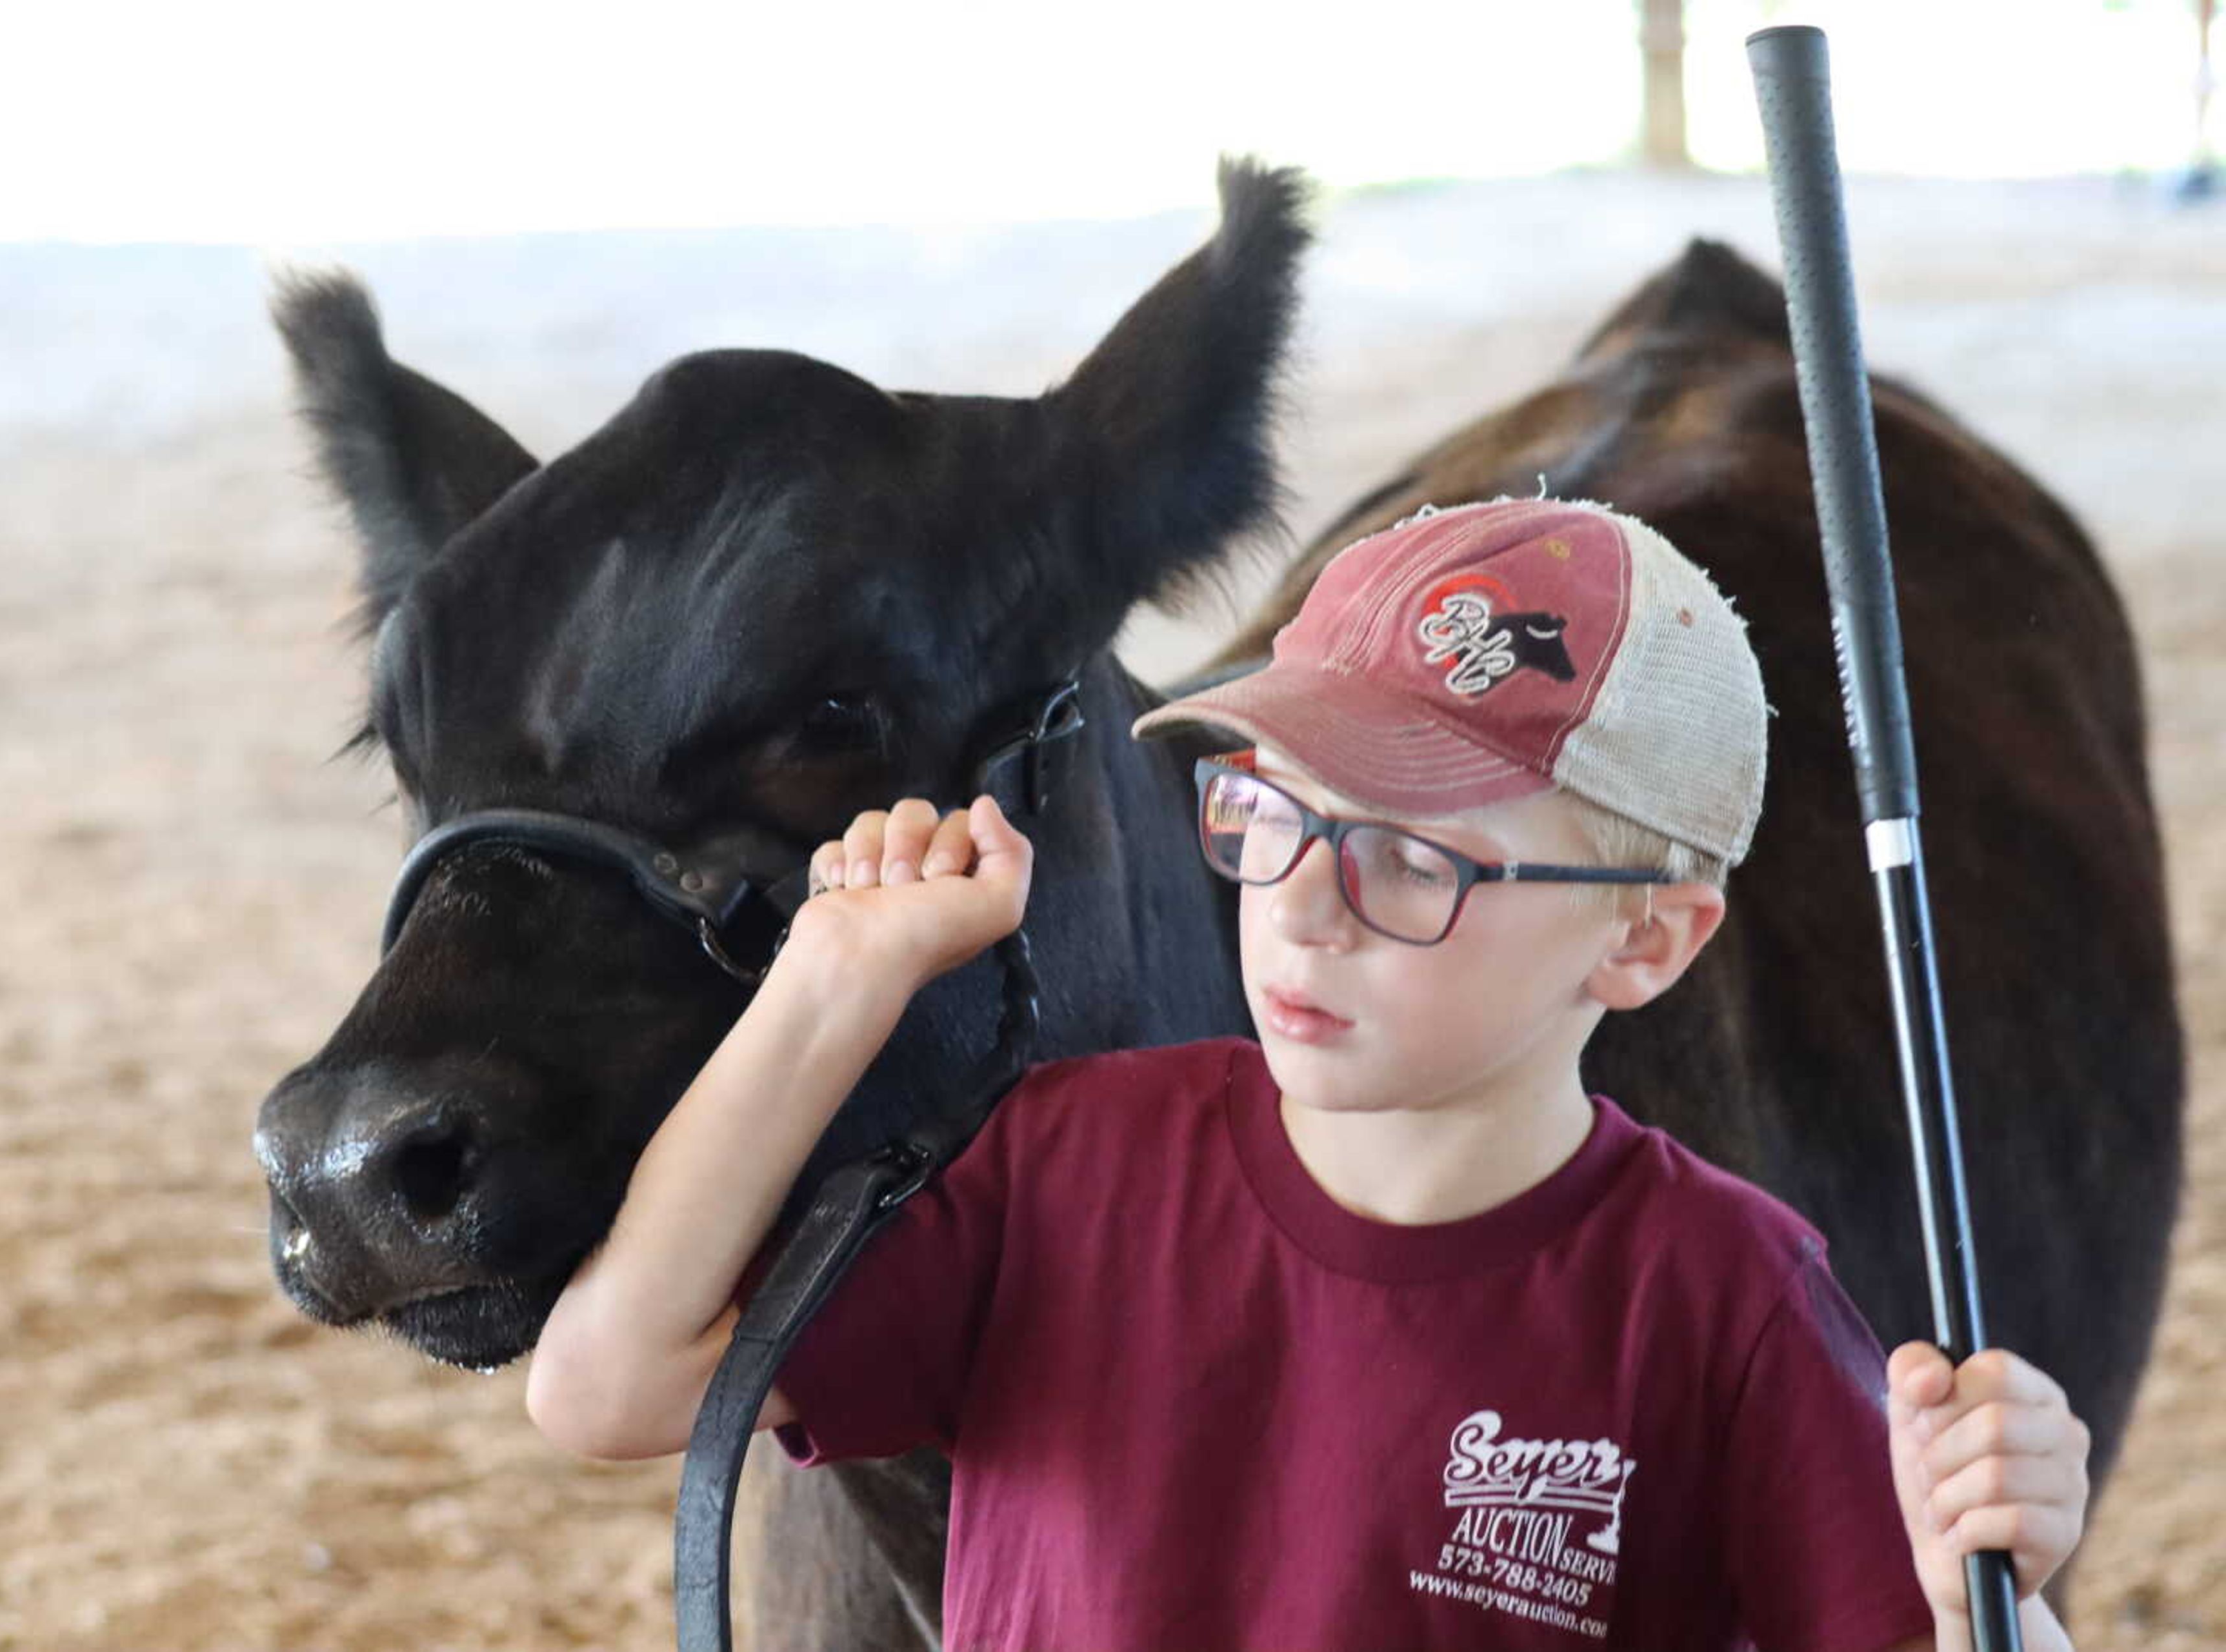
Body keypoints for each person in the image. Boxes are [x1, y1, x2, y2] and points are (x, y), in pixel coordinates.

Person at [525, 497, 2092, 1651]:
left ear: (1647, 944)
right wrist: (831, 982)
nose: (1300, 905)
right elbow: (609, 1383)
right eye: (1270, 812)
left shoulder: (1722, 1299)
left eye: (1410, 860)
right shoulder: (1065, 1171)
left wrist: (1993, 1586)